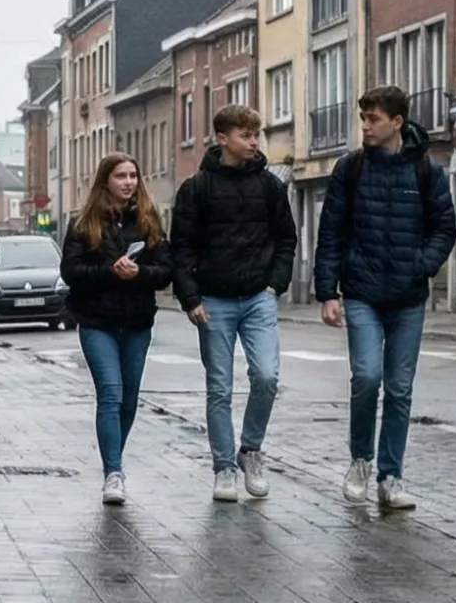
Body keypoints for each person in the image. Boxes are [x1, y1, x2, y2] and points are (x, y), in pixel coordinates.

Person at [315, 85, 456, 512]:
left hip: (408, 296)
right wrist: (327, 292)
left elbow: (444, 229)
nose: (365, 126)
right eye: (363, 118)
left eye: (373, 119)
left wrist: (421, 264)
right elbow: (331, 231)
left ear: (397, 122)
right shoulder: (350, 169)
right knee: (367, 376)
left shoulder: (426, 171)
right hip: (362, 291)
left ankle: (390, 477)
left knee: (399, 388)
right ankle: (361, 460)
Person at [171, 104, 297, 503]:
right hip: (213, 300)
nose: (254, 142)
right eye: (245, 135)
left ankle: (251, 450)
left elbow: (286, 239)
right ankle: (224, 467)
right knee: (219, 388)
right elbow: (181, 247)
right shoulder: (196, 189)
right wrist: (191, 297)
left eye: (256, 135)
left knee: (267, 377)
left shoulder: (270, 186)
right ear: (222, 138)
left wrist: (275, 286)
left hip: (259, 297)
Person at [61, 154, 173, 506]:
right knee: (110, 393)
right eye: (121, 176)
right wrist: (111, 272)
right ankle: (113, 472)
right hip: (97, 321)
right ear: (105, 181)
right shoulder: (84, 223)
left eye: (133, 176)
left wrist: (140, 274)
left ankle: (114, 459)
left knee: (129, 398)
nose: (128, 182)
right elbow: (71, 272)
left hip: (137, 322)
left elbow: (165, 270)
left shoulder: (148, 220)